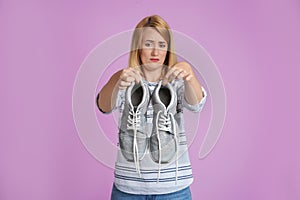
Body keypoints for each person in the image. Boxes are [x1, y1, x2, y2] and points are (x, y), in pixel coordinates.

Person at [96, 15, 207, 200]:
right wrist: (116, 80)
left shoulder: (178, 81)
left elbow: (196, 105)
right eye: (148, 44)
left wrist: (190, 74)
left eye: (162, 45)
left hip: (174, 188)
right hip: (128, 188)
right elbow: (103, 107)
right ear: (138, 47)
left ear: (168, 49)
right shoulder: (126, 79)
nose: (155, 51)